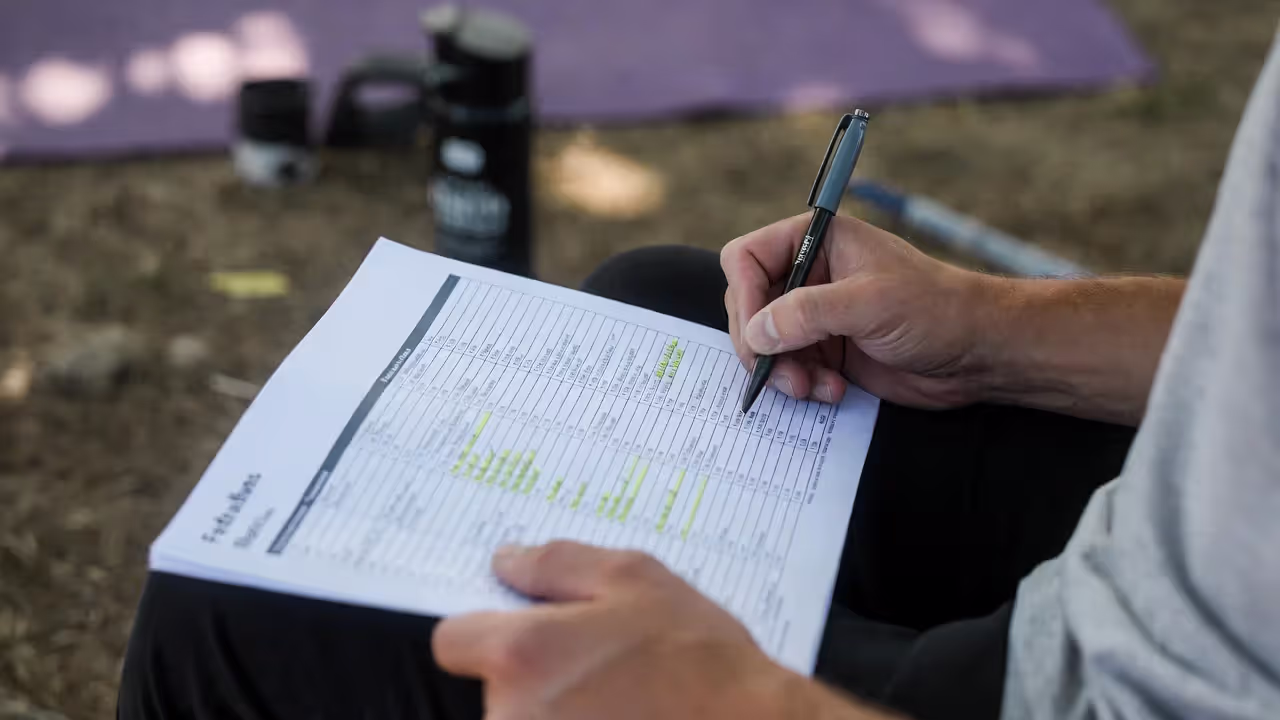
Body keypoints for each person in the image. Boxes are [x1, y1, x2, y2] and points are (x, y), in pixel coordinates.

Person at [119, 41, 1280, 720]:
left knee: (228, 616)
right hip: (1175, 553)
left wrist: (757, 706)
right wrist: (988, 327)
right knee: (665, 298)